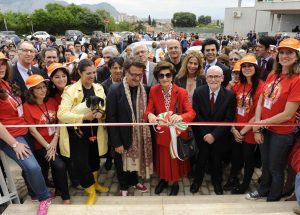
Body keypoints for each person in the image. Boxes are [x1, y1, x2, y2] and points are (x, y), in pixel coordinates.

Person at [246, 38, 300, 201]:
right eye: (282, 52)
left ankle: (273, 198)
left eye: (289, 52)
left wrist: (260, 123)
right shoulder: (273, 74)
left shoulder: (297, 79)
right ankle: (263, 191)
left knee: (276, 167)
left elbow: (287, 114)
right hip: (265, 128)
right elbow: (262, 101)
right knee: (265, 164)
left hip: (282, 132)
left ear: (297, 56)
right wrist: (257, 126)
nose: (284, 56)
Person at [0, 52, 52, 215]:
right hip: (12, 137)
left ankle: (36, 193)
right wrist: (14, 144)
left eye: (3, 63)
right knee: (33, 167)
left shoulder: (5, 84)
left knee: (31, 167)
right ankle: (44, 198)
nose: (1, 67)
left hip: (24, 131)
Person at [57, 59, 109, 205]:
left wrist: (101, 113)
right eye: (88, 73)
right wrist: (83, 116)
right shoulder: (70, 90)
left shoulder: (99, 88)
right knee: (81, 163)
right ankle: (90, 190)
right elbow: (61, 114)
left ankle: (96, 183)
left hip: (95, 130)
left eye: (94, 72)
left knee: (95, 159)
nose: (92, 76)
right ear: (79, 73)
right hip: (78, 133)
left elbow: (104, 106)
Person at [144, 61, 196, 196]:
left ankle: (175, 182)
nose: (165, 78)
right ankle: (164, 180)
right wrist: (149, 115)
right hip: (162, 134)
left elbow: (191, 113)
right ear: (157, 77)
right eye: (161, 76)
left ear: (172, 76)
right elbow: (148, 110)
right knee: (163, 161)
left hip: (177, 134)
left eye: (168, 75)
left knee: (175, 161)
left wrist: (181, 117)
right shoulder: (154, 91)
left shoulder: (181, 92)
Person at [106, 60, 153, 196]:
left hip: (139, 134)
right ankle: (124, 187)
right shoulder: (115, 90)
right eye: (133, 74)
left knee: (136, 159)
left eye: (140, 74)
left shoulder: (144, 89)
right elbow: (111, 118)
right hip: (122, 136)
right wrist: (116, 143)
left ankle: (134, 181)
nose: (137, 78)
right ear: (126, 72)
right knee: (121, 164)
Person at [23, 74, 70, 204]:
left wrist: (55, 141)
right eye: (38, 88)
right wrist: (48, 147)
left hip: (56, 140)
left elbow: (59, 120)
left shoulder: (51, 101)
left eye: (44, 87)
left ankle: (64, 196)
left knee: (59, 166)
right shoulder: (27, 106)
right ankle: (41, 194)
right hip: (41, 146)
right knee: (47, 168)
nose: (43, 90)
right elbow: (33, 131)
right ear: (31, 91)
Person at [190, 65, 236, 195]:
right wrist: (206, 134)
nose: (213, 79)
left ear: (222, 78)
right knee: (201, 158)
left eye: (216, 76)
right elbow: (196, 115)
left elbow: (228, 119)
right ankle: (197, 181)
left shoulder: (230, 95)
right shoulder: (199, 92)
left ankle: (217, 182)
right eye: (210, 76)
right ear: (206, 78)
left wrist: (214, 135)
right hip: (202, 134)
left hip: (220, 135)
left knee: (217, 159)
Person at [228, 55, 264, 194]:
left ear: (255, 67)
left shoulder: (262, 86)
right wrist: (233, 129)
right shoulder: (238, 85)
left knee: (248, 159)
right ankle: (233, 178)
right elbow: (231, 109)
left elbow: (258, 114)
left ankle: (245, 185)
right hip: (236, 129)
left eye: (250, 66)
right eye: (244, 66)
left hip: (249, 130)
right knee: (235, 157)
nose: (247, 69)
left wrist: (242, 131)